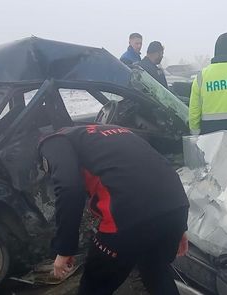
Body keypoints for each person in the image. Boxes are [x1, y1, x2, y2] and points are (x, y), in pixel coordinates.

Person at [38, 124, 190, 295]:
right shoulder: (112, 130)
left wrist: (64, 249)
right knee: (156, 270)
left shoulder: (52, 142)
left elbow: (69, 188)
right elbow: (155, 167)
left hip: (126, 219)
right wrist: (178, 225)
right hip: (176, 205)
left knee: (93, 287)